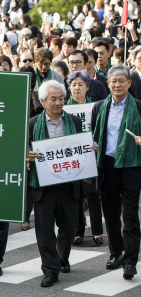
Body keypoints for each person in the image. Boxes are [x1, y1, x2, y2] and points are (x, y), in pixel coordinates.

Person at [26, 80, 90, 287]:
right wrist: (27, 156)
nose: (58, 102)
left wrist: (89, 150)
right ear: (43, 101)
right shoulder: (33, 123)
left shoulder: (74, 121)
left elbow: (82, 146)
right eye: (53, 99)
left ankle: (62, 258)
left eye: (61, 98)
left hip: (68, 184)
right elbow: (23, 149)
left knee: (69, 226)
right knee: (44, 229)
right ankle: (50, 269)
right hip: (42, 185)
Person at [91, 64, 141, 280]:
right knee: (110, 213)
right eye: (114, 81)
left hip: (131, 166)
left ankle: (130, 260)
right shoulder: (99, 107)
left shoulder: (139, 107)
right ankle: (115, 253)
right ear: (108, 84)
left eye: (122, 81)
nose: (118, 84)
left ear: (129, 84)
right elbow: (95, 135)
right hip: (108, 165)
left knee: (130, 215)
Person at [65, 71, 104, 246]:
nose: (77, 88)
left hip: (90, 154)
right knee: (76, 195)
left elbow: (100, 131)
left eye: (81, 84)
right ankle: (78, 231)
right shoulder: (64, 108)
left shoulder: (95, 107)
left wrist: (98, 145)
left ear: (88, 87)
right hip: (72, 155)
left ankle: (97, 232)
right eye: (73, 85)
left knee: (93, 194)